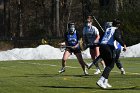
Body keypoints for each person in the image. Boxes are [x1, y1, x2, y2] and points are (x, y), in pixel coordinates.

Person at [96, 19, 127, 89]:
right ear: (118, 25)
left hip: (102, 46)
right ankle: (100, 81)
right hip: (108, 47)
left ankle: (105, 81)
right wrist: (124, 44)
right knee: (111, 65)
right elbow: (117, 38)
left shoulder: (108, 29)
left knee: (108, 65)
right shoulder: (116, 30)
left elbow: (103, 38)